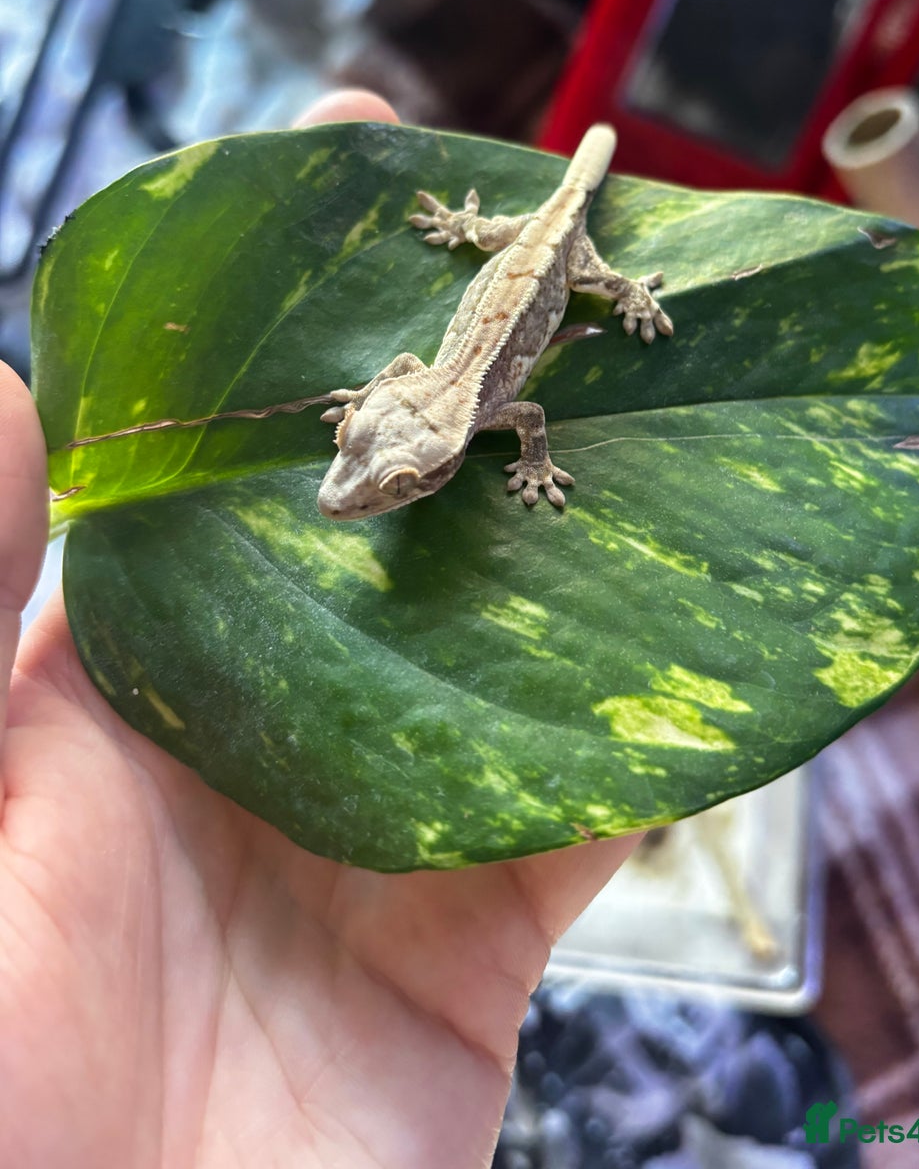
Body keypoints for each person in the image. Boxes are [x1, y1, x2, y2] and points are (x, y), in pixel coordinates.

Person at [0, 89, 639, 1168]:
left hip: (555, 248)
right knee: (516, 237)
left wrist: (541, 445)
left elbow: (529, 415)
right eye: (367, 466)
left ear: (437, 469)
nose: (350, 497)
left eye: (387, 485)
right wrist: (365, 424)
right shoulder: (415, 395)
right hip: (508, 260)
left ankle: (589, 262)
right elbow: (397, 377)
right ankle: (488, 232)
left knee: (564, 237)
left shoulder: (489, 412)